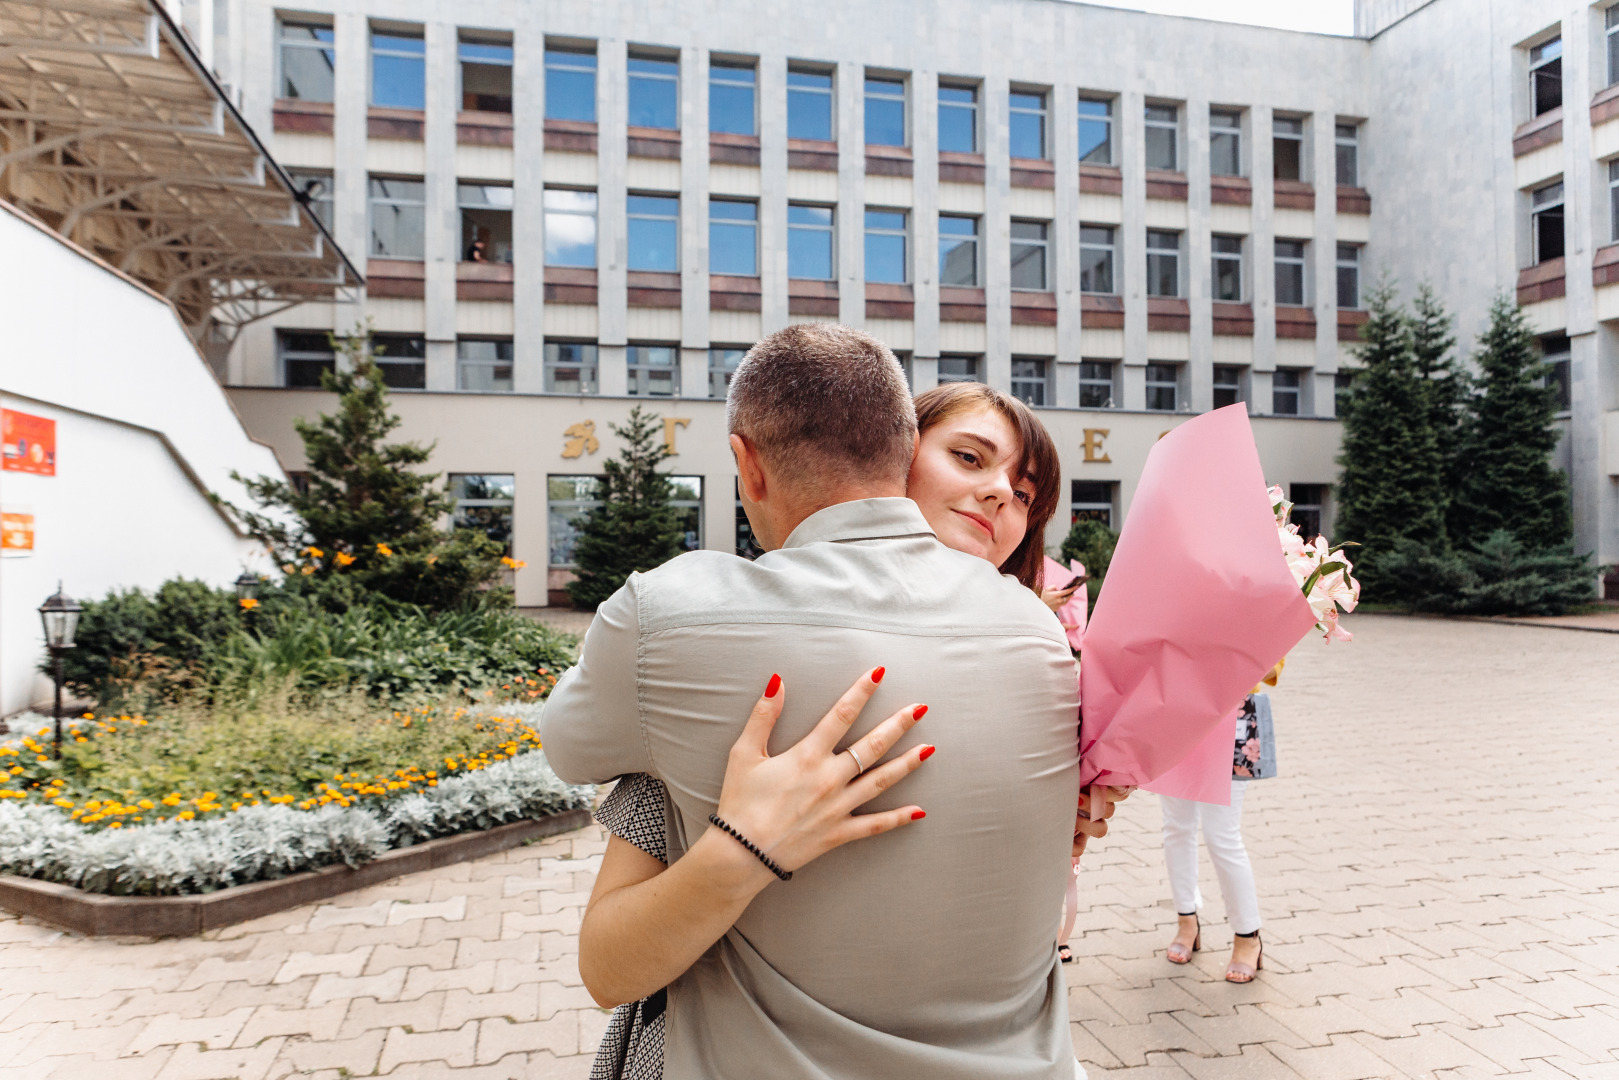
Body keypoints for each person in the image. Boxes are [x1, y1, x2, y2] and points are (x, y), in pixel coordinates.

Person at [542, 326, 1123, 1080]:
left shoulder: (671, 619)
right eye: (969, 458)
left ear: (747, 465)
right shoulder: (1043, 644)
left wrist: (740, 845)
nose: (993, 495)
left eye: (1020, 495)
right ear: (900, 451)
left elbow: (569, 753)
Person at [1160, 663, 1282, 983]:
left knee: (1221, 835)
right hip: (1176, 709)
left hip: (1231, 710)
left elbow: (1271, 652)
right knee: (1176, 826)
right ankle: (1186, 920)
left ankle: (1247, 937)